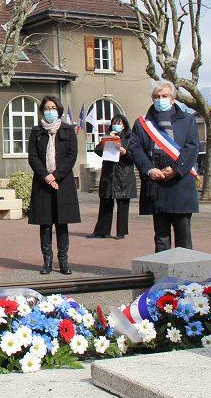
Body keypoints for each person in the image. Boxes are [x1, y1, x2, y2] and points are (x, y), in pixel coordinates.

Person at [127, 81, 199, 252]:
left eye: (164, 96)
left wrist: (175, 168)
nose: (160, 100)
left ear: (173, 99)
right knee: (161, 236)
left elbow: (192, 147)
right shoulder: (142, 123)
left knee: (183, 234)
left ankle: (185, 274)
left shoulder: (187, 120)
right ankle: (163, 276)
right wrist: (149, 169)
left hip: (179, 182)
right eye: (157, 97)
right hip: (156, 182)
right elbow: (135, 149)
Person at [27, 95, 80, 274]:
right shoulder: (36, 131)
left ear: (59, 110)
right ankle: (47, 262)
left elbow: (71, 156)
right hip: (43, 184)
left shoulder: (68, 130)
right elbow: (32, 157)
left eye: (53, 108)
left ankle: (64, 262)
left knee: (62, 223)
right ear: (42, 111)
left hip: (63, 183)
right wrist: (46, 176)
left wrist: (56, 176)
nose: (50, 111)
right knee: (46, 224)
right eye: (47, 108)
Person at [89, 113, 136, 239]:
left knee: (122, 204)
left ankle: (121, 232)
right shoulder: (108, 135)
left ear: (124, 124)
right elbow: (98, 151)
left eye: (119, 123)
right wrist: (106, 141)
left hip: (123, 175)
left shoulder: (130, 137)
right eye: (114, 123)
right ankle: (101, 231)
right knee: (105, 201)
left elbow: (135, 156)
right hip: (108, 174)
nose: (116, 125)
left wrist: (125, 152)